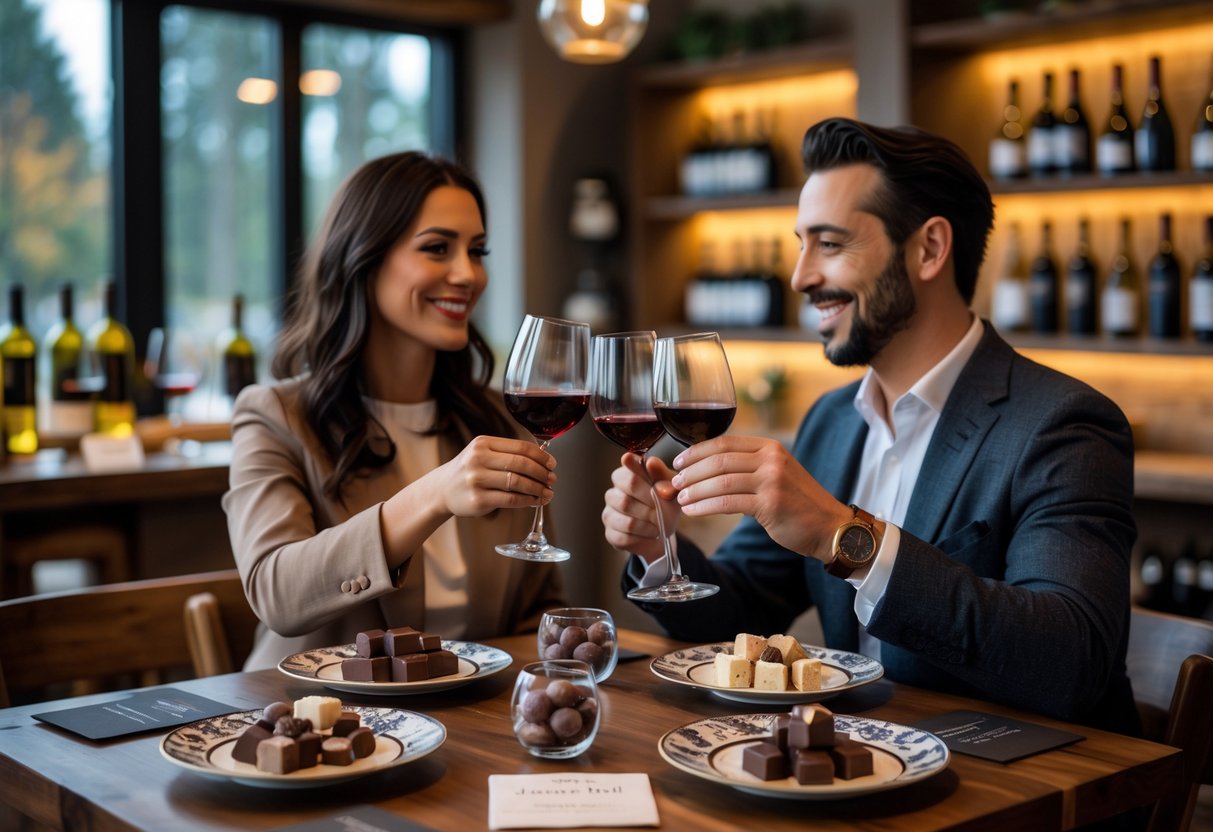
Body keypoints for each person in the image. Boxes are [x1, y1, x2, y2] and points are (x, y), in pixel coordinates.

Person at [603, 117, 1139, 734]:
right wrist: (658, 549)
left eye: (829, 245)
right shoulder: (833, 420)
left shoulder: (1063, 425)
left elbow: (1070, 661)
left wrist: (845, 535)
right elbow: (742, 605)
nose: (802, 276)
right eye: (801, 244)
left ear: (930, 249)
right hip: (864, 769)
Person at [225, 151, 564, 670]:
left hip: (468, 727)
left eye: (477, 251)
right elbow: (277, 595)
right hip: (316, 723)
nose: (467, 274)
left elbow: (538, 610)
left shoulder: (498, 418)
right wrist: (434, 494)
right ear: (364, 258)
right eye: (436, 248)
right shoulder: (274, 415)